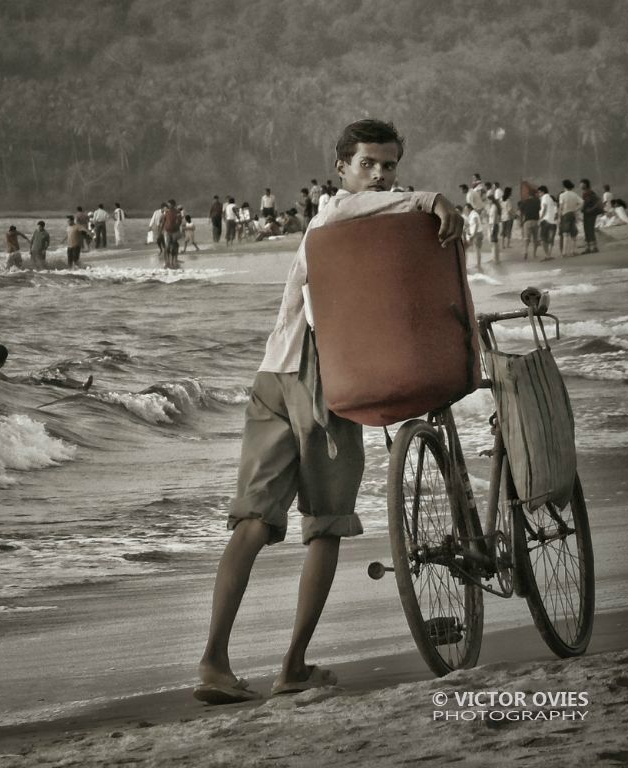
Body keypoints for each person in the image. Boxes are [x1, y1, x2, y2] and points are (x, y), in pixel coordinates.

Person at [194, 118, 464, 705]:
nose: (380, 175)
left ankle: (216, 662)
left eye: (389, 165)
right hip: (322, 378)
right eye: (368, 164)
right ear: (340, 168)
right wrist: (432, 198)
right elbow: (362, 224)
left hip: (274, 372)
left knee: (256, 521)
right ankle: (287, 665)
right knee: (327, 524)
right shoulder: (334, 212)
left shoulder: (370, 216)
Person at [558, 180, 583, 257]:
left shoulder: (562, 195)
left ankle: (564, 252)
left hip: (565, 214)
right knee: (573, 233)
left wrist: (559, 217)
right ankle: (574, 251)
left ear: (564, 186)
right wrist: (576, 209)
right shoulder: (574, 194)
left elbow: (561, 207)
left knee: (565, 234)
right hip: (572, 213)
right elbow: (582, 202)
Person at [580, 178, 602, 253]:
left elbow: (598, 201)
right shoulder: (585, 192)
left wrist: (591, 209)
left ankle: (593, 247)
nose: (580, 185)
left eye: (581, 183)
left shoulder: (590, 192)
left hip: (591, 214)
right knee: (587, 229)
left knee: (590, 229)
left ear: (585, 184)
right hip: (586, 213)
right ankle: (589, 248)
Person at [160, 198, 183, 269]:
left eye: (170, 204)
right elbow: (163, 221)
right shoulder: (166, 212)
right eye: (168, 204)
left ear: (173, 205)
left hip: (175, 231)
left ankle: (174, 261)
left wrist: (176, 226)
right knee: (167, 247)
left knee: (174, 246)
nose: (168, 206)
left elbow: (179, 221)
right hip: (167, 231)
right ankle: (166, 262)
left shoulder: (178, 212)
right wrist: (160, 230)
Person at [536, 185, 558, 260]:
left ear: (543, 192)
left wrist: (540, 219)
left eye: (539, 192)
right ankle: (549, 254)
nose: (539, 194)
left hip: (546, 220)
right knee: (550, 239)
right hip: (553, 222)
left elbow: (544, 208)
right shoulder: (551, 198)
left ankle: (547, 255)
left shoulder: (544, 197)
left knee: (543, 238)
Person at [518, 192, 540, 260]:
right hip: (536, 221)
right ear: (534, 195)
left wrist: (521, 221)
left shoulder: (524, 202)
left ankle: (526, 251)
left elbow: (521, 212)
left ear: (529, 196)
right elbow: (540, 210)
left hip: (527, 222)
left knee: (527, 238)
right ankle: (534, 254)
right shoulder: (538, 201)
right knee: (535, 239)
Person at [464, 203, 483, 269]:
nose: (465, 211)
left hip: (477, 234)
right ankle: (477, 264)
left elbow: (476, 224)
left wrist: (473, 234)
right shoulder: (471, 214)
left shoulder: (474, 214)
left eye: (466, 209)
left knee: (477, 250)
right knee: (473, 249)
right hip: (475, 234)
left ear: (469, 208)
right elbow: (471, 225)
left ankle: (478, 265)